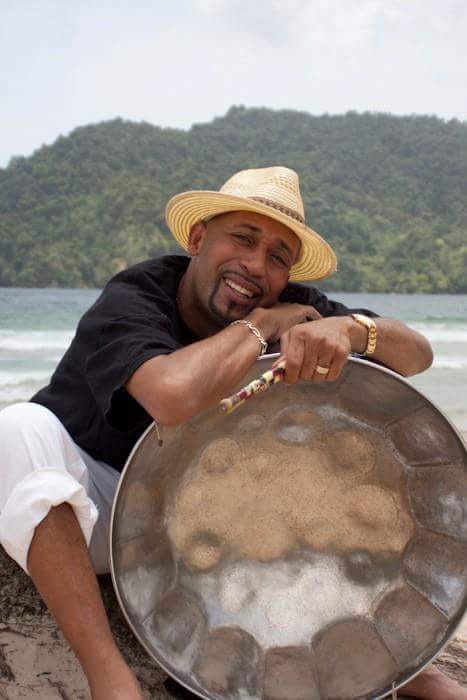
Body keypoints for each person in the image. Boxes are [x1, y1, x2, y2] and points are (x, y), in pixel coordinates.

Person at [0, 166, 464, 700]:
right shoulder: (135, 297)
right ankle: (112, 679)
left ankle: (407, 666)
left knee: (341, 467)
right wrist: (262, 326)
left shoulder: (297, 300)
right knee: (17, 427)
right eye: (243, 238)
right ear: (199, 238)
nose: (256, 265)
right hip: (92, 513)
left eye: (277, 256)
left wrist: (351, 329)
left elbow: (417, 356)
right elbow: (172, 398)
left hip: (194, 532)